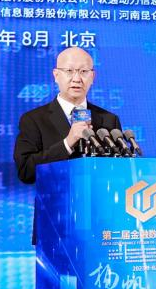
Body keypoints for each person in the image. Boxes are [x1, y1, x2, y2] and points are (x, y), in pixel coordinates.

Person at [13, 46, 122, 186]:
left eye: (83, 71)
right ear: (56, 75)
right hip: (55, 198)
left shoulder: (109, 120)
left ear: (93, 77)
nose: (76, 79)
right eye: (69, 71)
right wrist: (67, 143)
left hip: (98, 198)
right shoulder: (33, 119)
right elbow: (25, 171)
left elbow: (118, 172)